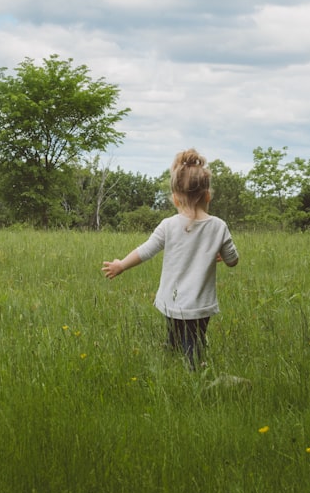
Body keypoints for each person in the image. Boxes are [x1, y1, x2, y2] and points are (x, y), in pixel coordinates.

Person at [102, 149, 239, 370]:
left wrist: (121, 265)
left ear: (175, 198)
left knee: (178, 333)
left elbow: (146, 250)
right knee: (194, 338)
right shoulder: (218, 226)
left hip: (171, 301)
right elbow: (233, 260)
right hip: (201, 304)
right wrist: (223, 255)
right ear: (207, 196)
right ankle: (191, 363)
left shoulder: (168, 225)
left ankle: (188, 368)